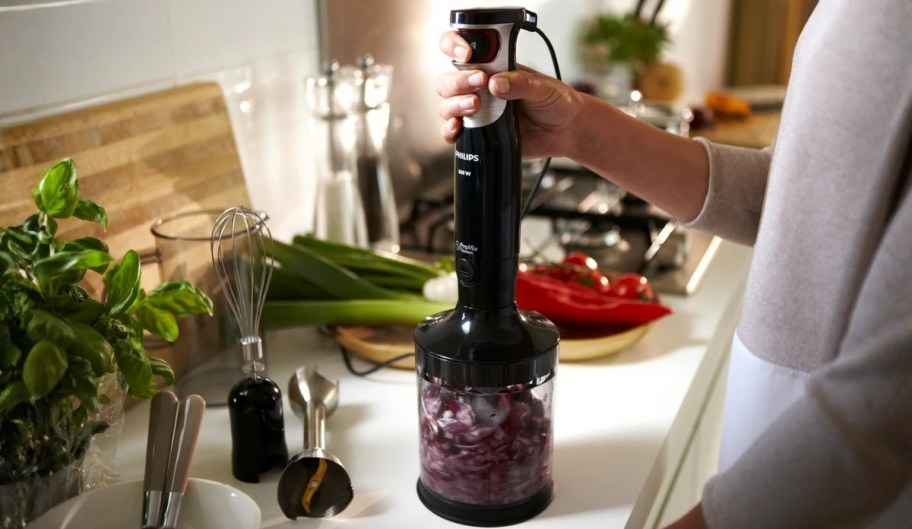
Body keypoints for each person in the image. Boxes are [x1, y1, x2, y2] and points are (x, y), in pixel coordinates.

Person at [436, 2, 911, 528]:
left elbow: (889, 404)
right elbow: (803, 198)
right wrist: (577, 127)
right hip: (779, 452)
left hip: (839, 494)